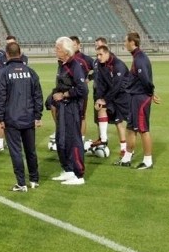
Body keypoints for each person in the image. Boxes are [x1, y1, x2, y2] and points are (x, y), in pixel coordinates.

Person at [0, 42, 43, 192]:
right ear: (20, 53)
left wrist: (0, 118)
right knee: (30, 150)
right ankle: (34, 180)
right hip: (28, 117)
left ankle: (21, 183)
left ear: (7, 54)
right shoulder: (30, 71)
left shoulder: (4, 72)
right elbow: (38, 95)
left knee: (16, 151)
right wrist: (38, 115)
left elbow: (0, 97)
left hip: (12, 118)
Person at [114, 32, 159, 169]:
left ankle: (148, 161)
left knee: (143, 129)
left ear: (132, 42)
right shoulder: (137, 57)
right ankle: (126, 158)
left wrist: (151, 93)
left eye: (125, 41)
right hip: (134, 96)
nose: (124, 43)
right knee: (130, 128)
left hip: (141, 97)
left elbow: (145, 79)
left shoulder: (140, 59)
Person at [47, 37, 87, 185]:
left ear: (66, 50)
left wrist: (64, 94)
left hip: (71, 107)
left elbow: (82, 89)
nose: (55, 50)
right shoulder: (62, 65)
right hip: (62, 107)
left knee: (73, 139)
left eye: (57, 48)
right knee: (61, 139)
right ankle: (68, 169)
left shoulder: (75, 65)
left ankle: (79, 174)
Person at [94, 44, 129, 156]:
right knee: (104, 110)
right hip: (112, 94)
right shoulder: (100, 65)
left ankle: (126, 149)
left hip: (124, 95)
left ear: (107, 53)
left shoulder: (118, 65)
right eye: (97, 55)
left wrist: (105, 99)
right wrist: (99, 99)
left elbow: (117, 86)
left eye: (100, 54)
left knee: (125, 123)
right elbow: (100, 84)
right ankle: (103, 140)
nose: (98, 57)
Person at [70, 36, 94, 139]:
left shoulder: (85, 59)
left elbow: (98, 69)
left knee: (82, 116)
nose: (72, 47)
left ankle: (81, 140)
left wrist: (89, 77)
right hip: (69, 92)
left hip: (81, 91)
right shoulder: (67, 59)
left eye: (74, 45)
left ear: (79, 45)